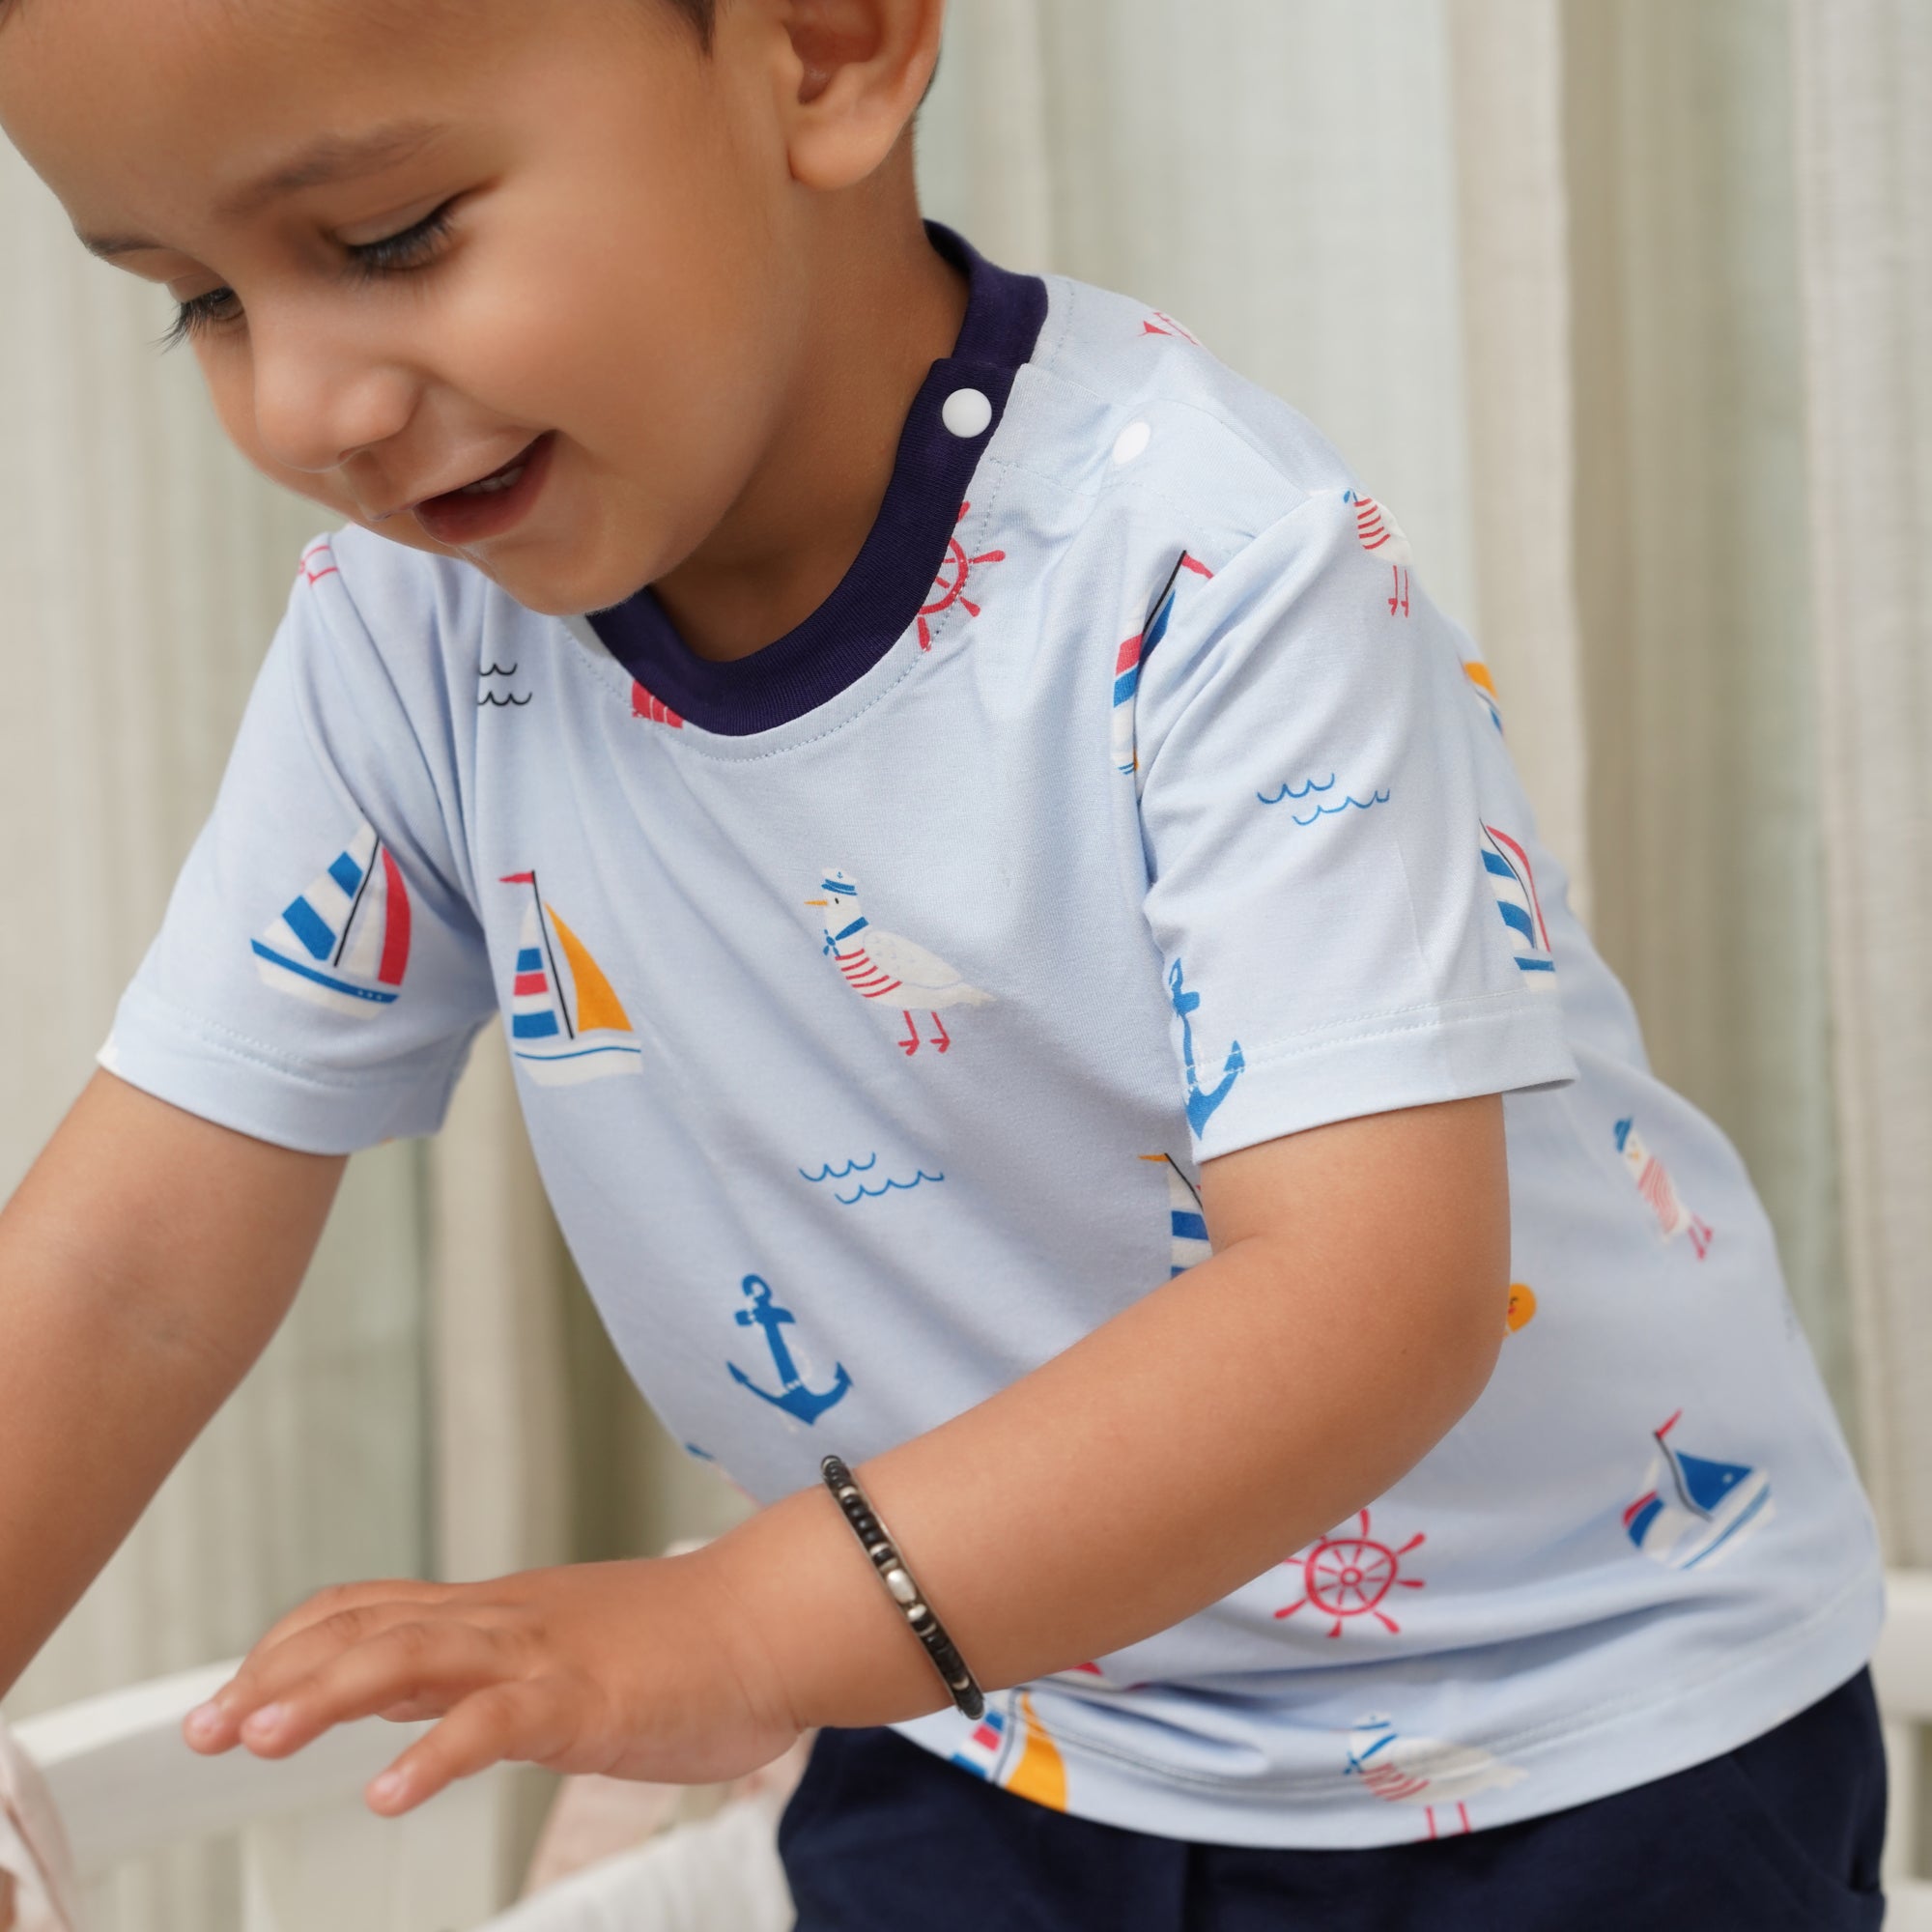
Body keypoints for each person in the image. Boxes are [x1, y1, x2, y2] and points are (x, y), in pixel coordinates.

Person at [0, 0, 1889, 1924]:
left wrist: (736, 1628)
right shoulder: (410, 631)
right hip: (1000, 1712)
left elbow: (1368, 1296)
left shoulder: (1206, 564)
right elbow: (130, 1257)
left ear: (822, 52)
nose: (307, 407)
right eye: (196, 302)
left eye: (392, 238)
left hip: (1574, 1718)